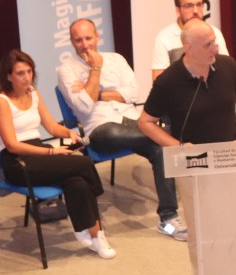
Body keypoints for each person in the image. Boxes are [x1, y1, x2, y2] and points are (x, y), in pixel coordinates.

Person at [138, 20, 236, 275]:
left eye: (215, 41)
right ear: (188, 48)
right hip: (194, 165)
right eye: (208, 44)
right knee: (202, 234)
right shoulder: (168, 80)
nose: (216, 48)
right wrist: (177, 146)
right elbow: (146, 122)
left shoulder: (227, 65)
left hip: (231, 159)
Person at [57, 18, 185, 241]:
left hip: (132, 120)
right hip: (100, 128)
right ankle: (168, 139)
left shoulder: (116, 59)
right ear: (71, 42)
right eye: (78, 40)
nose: (85, 44)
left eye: (88, 38)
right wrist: (96, 69)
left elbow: (133, 94)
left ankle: (168, 218)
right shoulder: (67, 70)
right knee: (154, 138)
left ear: (97, 36)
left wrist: (96, 93)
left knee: (159, 148)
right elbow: (84, 106)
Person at [0, 49, 115, 259]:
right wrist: (51, 151)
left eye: (29, 71)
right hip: (17, 162)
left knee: (78, 181)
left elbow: (50, 126)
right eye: (20, 73)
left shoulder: (33, 93)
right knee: (83, 164)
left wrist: (68, 133)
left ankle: (93, 233)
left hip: (38, 155)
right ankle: (95, 217)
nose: (27, 77)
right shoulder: (1, 102)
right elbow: (12, 145)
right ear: (8, 76)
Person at [152, 0, 229, 79]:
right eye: (189, 6)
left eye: (199, 5)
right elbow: (159, 82)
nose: (196, 11)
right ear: (178, 11)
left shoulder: (215, 33)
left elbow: (227, 71)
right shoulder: (164, 39)